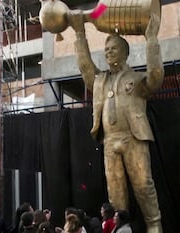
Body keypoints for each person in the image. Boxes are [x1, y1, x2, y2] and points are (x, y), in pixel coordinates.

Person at [69, 8, 164, 233]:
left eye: (113, 49)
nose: (108, 53)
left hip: (133, 138)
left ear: (124, 53)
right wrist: (80, 33)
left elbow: (156, 77)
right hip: (110, 141)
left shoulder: (137, 79)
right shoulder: (100, 81)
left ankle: (154, 225)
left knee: (143, 186)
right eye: (106, 49)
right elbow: (85, 68)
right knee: (116, 194)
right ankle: (120, 229)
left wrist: (151, 40)